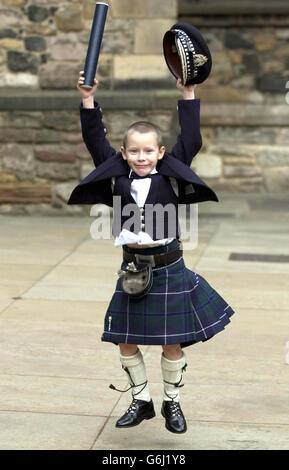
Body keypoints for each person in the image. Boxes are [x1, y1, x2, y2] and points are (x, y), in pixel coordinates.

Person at [72, 70, 235, 434]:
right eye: (134, 151)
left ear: (160, 153)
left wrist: (189, 93)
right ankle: (141, 399)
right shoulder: (117, 176)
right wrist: (87, 99)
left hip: (167, 268)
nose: (141, 157)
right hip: (132, 268)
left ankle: (172, 404)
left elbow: (190, 139)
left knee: (171, 342)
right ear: (124, 152)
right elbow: (93, 138)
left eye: (148, 151)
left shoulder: (169, 175)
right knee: (124, 340)